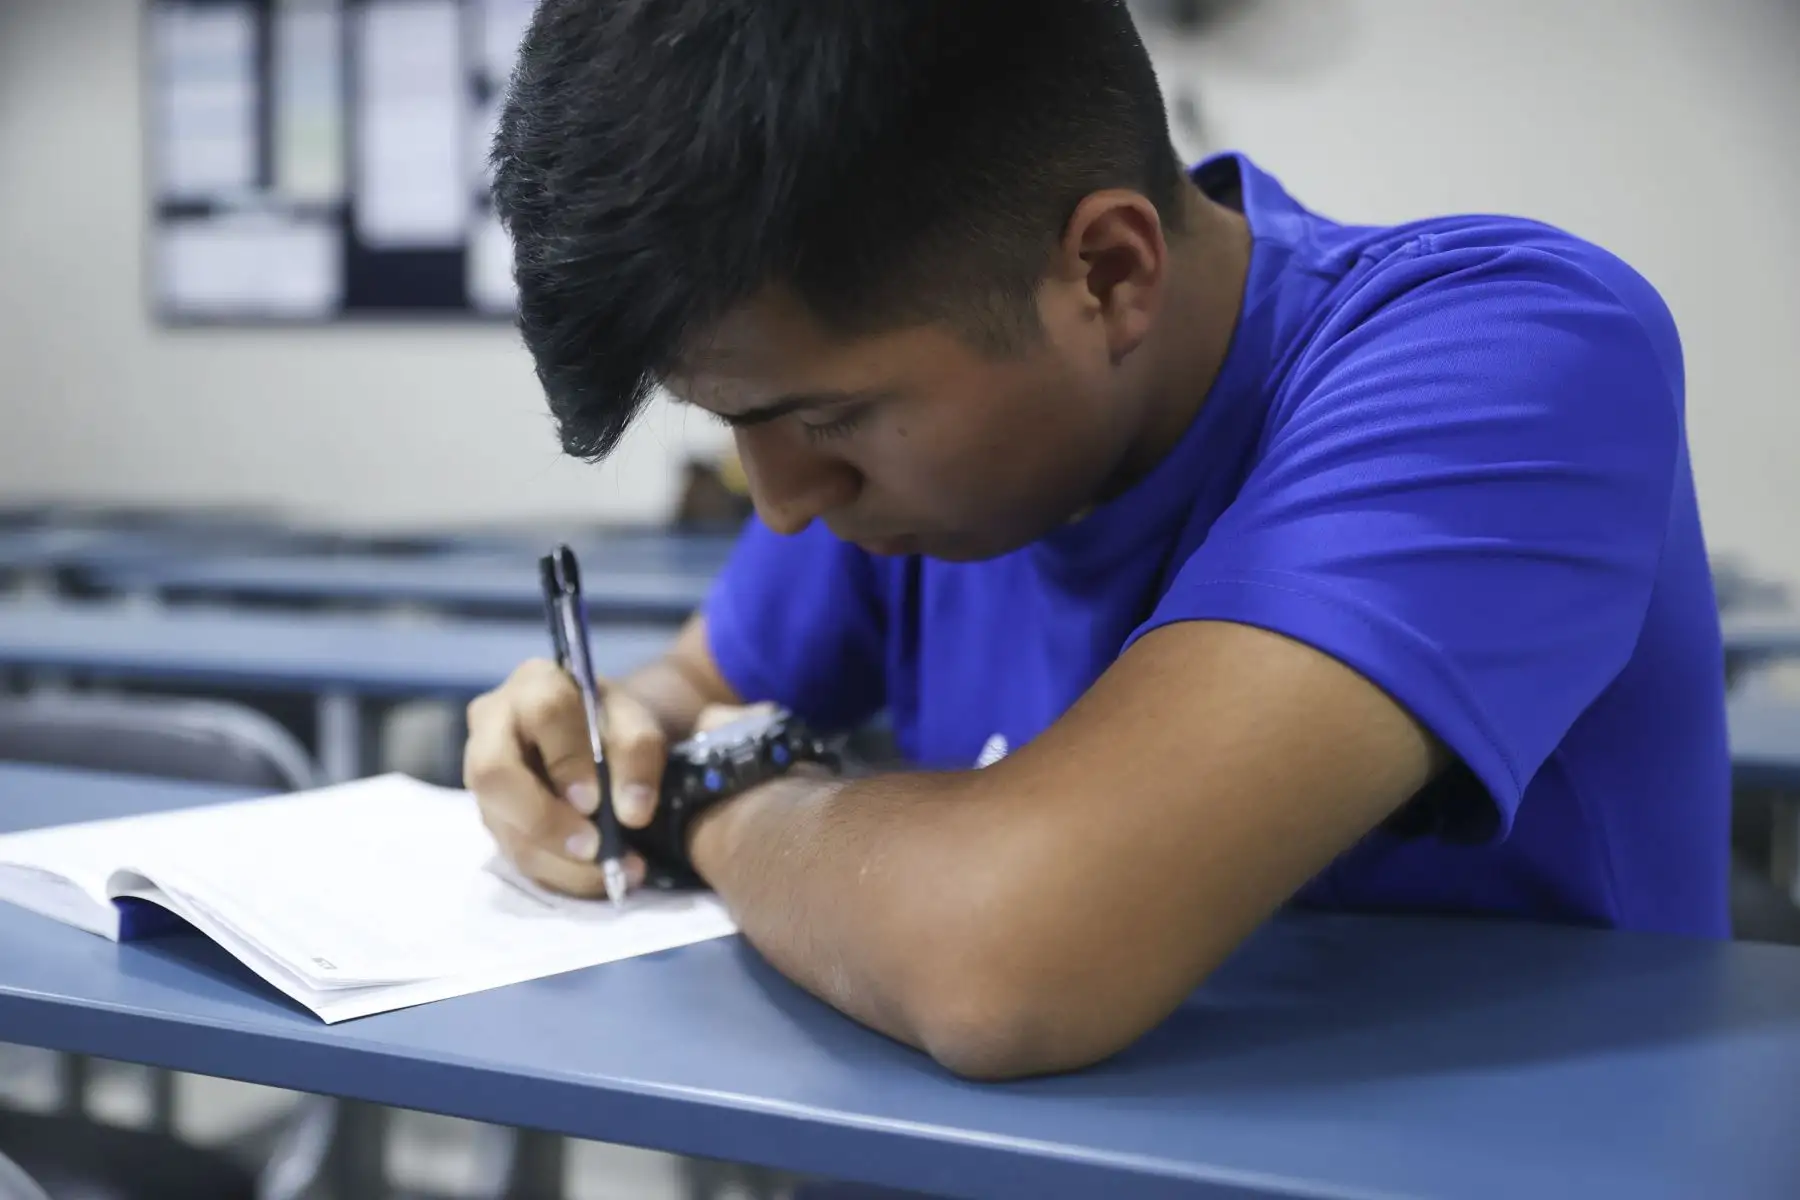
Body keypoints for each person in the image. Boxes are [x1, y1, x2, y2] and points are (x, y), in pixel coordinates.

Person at [465, 0, 1728, 1081]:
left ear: (1109, 275)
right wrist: (601, 738)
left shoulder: (1512, 358)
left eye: (825, 418)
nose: (785, 501)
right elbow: (696, 691)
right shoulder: (907, 474)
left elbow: (1008, 959)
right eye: (738, 425)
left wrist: (711, 801)